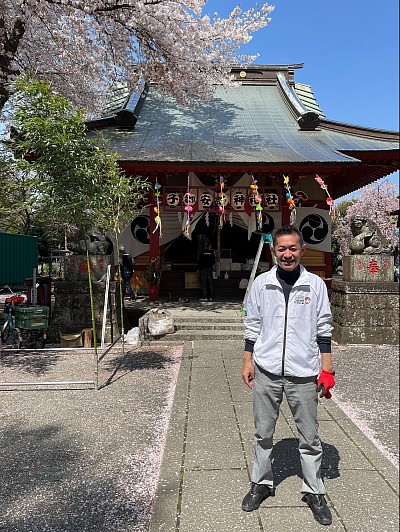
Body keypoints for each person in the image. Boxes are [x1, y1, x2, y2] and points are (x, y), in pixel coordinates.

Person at [241, 225, 335, 526]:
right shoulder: (261, 285)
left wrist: (327, 368)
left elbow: (324, 328)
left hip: (303, 372)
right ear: (274, 251)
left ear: (302, 250)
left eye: (293, 248)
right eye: (281, 249)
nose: (287, 254)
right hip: (267, 370)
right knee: (262, 432)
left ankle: (314, 489)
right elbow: (252, 325)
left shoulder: (315, 285)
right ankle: (261, 483)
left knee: (309, 436)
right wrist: (247, 361)